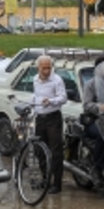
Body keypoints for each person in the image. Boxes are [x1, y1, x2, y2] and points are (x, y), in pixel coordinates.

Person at [32, 55, 67, 194]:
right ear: (38, 68)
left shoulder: (57, 80)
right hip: (40, 117)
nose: (46, 71)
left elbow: (63, 98)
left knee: (55, 151)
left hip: (53, 118)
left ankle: (57, 183)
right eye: (44, 68)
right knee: (39, 149)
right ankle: (45, 179)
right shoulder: (35, 79)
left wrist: (51, 101)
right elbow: (35, 95)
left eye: (49, 68)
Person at [82, 55, 104, 188]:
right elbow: (86, 105)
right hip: (94, 121)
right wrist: (99, 107)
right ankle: (97, 169)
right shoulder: (91, 85)